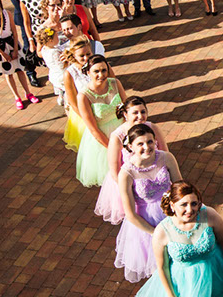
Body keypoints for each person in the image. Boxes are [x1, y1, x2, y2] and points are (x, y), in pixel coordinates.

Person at [114, 123, 182, 282]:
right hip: (147, 224)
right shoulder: (126, 173)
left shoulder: (166, 157)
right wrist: (157, 233)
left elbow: (180, 188)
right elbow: (130, 215)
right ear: (130, 146)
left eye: (150, 142)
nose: (147, 147)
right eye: (140, 144)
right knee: (161, 268)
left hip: (172, 213)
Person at [95, 96, 170, 224]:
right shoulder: (117, 136)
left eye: (143, 112)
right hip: (133, 183)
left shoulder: (153, 128)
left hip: (155, 177)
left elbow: (165, 152)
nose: (140, 116)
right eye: (135, 113)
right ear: (125, 114)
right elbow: (115, 170)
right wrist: (131, 191)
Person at [0, 0, 38, 110]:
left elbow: (14, 31)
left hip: (12, 43)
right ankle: (17, 97)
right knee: (9, 73)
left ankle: (28, 92)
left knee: (20, 69)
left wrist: (16, 49)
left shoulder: (6, 13)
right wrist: (2, 54)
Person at [75, 54, 126, 187]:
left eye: (104, 70)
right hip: (102, 138)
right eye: (96, 71)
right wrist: (112, 148)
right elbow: (93, 128)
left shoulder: (115, 83)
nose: (101, 75)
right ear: (88, 72)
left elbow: (127, 109)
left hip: (121, 130)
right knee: (112, 178)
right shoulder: (83, 96)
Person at [4, 0, 46, 87]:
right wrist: (31, 12)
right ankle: (31, 73)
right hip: (26, 18)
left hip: (43, 18)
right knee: (29, 47)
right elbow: (16, 0)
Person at [61, 36, 94, 151]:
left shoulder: (97, 65)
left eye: (88, 54)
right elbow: (73, 102)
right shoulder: (69, 73)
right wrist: (87, 118)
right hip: (83, 113)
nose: (86, 58)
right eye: (81, 56)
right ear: (74, 56)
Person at [34, 24, 65, 105]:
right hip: (61, 73)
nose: (58, 38)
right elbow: (61, 66)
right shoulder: (55, 52)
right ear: (51, 40)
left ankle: (61, 95)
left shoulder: (44, 49)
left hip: (53, 73)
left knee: (60, 87)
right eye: (56, 37)